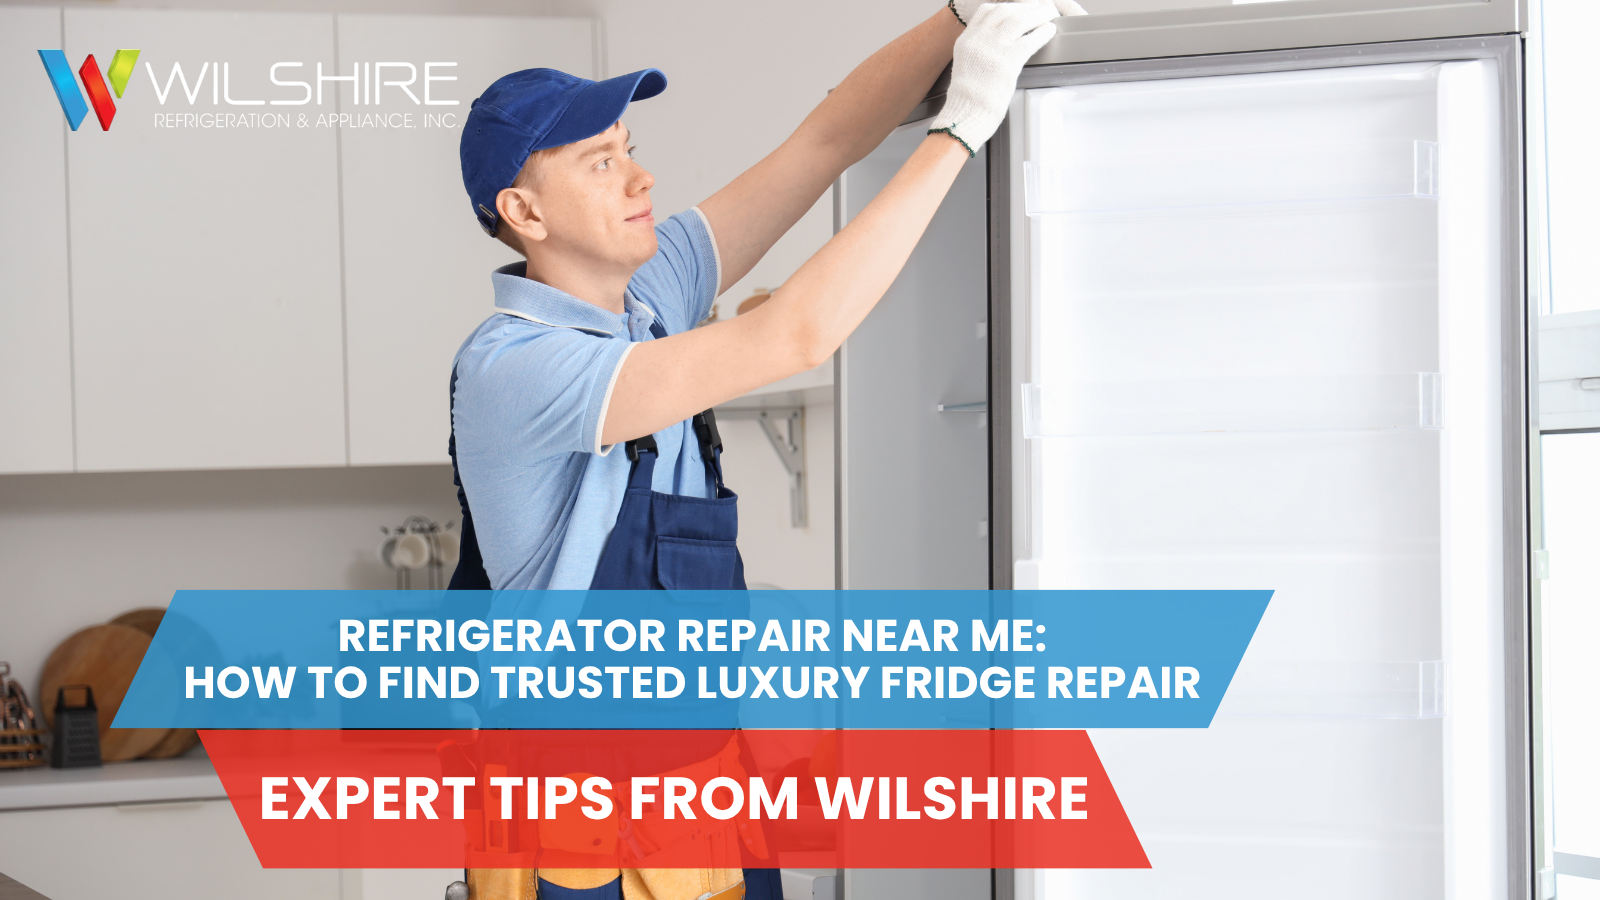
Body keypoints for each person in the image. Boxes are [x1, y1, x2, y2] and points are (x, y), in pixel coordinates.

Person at [446, 0, 1073, 896]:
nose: (639, 178)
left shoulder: (650, 297)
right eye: (600, 162)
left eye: (628, 148)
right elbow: (796, 337)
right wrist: (960, 130)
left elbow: (821, 144)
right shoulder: (517, 368)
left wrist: (959, 16)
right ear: (523, 212)